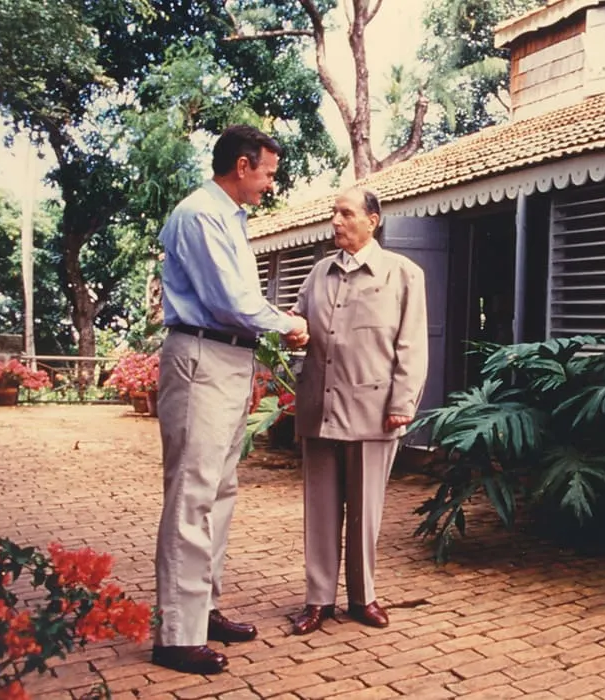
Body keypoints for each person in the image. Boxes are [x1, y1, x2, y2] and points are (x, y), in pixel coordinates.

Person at [153, 125, 310, 675]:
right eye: (268, 172)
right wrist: (287, 323)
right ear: (242, 166)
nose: (271, 183)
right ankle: (177, 635)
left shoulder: (227, 218)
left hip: (226, 358)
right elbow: (230, 302)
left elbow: (236, 303)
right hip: (203, 355)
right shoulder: (201, 215)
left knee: (219, 489)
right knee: (192, 494)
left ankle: (202, 610)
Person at [287, 187, 428, 636]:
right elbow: (298, 319)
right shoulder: (318, 273)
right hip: (320, 407)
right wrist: (294, 332)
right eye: (334, 213)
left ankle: (363, 597)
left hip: (374, 410)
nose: (336, 221)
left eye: (346, 213)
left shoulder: (403, 274)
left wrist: (402, 403)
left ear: (372, 220)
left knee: (365, 512)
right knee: (320, 511)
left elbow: (412, 345)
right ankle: (318, 599)